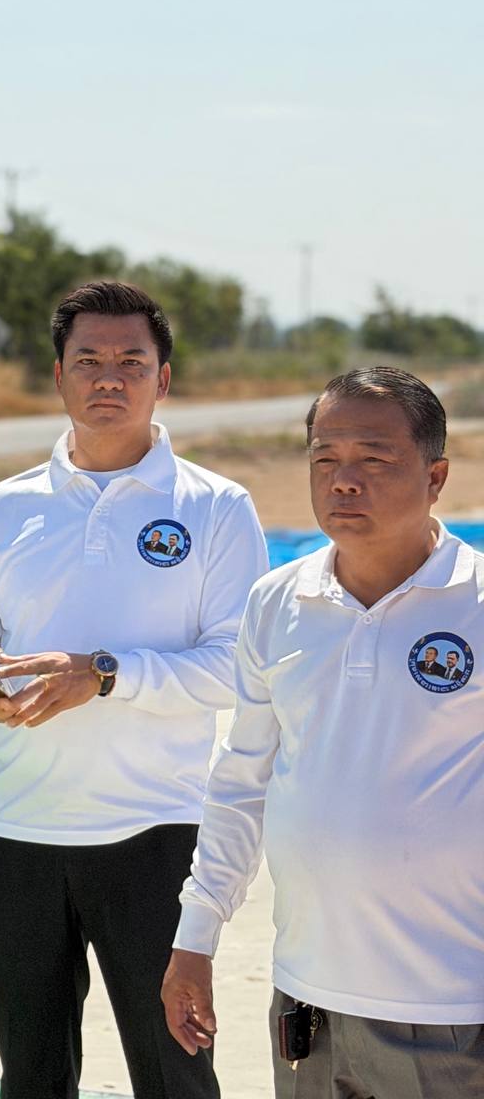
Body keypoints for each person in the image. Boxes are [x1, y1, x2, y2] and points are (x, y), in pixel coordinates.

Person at [0, 281, 269, 1099]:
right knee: (32, 1075)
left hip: (157, 833)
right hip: (19, 832)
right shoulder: (4, 508)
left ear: (164, 379)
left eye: (131, 362)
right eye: (88, 361)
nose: (109, 377)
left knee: (175, 1073)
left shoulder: (217, 507)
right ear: (58, 376)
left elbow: (239, 667)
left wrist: (106, 675)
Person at [162, 367, 484, 1098]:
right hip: (307, 1003)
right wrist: (195, 939)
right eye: (325, 458)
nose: (344, 480)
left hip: (450, 1011)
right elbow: (241, 785)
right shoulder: (278, 602)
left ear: (435, 477)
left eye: (374, 458)